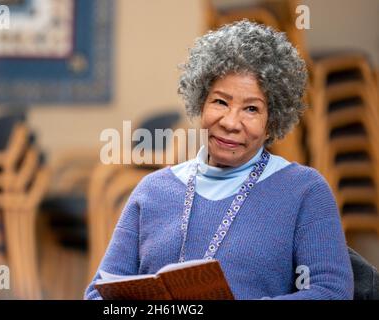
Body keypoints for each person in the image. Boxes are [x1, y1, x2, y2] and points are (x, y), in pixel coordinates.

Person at [84, 20, 354, 300]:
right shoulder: (152, 191)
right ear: (201, 103)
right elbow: (97, 295)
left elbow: (331, 292)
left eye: (251, 109)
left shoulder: (304, 190)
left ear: (272, 122)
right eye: (220, 102)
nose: (230, 122)